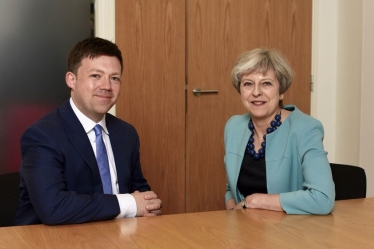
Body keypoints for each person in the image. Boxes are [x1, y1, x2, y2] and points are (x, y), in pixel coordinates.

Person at [14, 37, 162, 225]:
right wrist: (129, 204)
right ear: (72, 80)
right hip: (48, 241)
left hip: (116, 237)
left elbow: (142, 197)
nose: (107, 86)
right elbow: (53, 207)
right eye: (96, 76)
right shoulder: (42, 135)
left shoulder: (126, 133)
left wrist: (147, 205)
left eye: (114, 78)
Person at [224, 48, 335, 214]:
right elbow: (230, 189)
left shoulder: (306, 128)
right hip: (245, 230)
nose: (256, 92)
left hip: (289, 233)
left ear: (281, 91)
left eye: (266, 83)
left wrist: (253, 201)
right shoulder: (234, 127)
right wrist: (233, 214)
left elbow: (322, 199)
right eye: (248, 84)